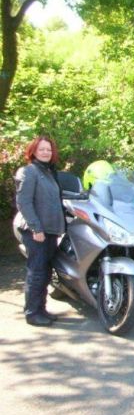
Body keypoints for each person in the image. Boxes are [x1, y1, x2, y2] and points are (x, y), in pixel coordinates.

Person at [13, 136, 65, 326]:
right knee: (37, 272)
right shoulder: (28, 171)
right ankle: (32, 313)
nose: (46, 152)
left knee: (45, 272)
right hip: (36, 231)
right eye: (42, 149)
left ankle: (41, 309)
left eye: (48, 149)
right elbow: (23, 202)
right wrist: (36, 228)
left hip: (50, 231)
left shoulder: (48, 172)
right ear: (33, 151)